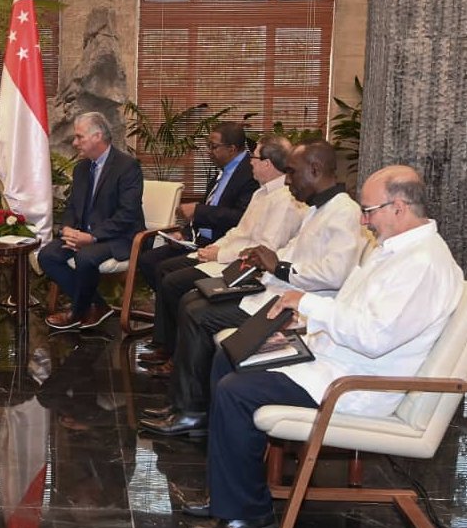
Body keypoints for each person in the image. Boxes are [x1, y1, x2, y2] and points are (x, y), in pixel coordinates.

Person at [185, 166, 464, 528]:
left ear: (398, 207)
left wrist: (309, 306)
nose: (364, 221)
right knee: (231, 356)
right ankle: (229, 494)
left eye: (369, 211)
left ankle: (247, 515)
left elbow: (374, 337)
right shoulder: (398, 250)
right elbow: (355, 310)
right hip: (334, 360)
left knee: (236, 391)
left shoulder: (423, 264)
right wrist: (303, 323)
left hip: (358, 384)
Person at [141, 139, 365, 437]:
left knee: (198, 313)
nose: (287, 180)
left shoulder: (343, 211)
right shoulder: (317, 209)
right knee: (192, 300)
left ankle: (192, 412)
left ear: (315, 169)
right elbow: (291, 249)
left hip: (299, 309)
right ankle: (183, 403)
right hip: (275, 292)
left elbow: (334, 274)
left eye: (292, 172)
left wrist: (278, 266)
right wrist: (263, 257)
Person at [139, 135, 306, 375]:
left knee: (173, 282)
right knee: (165, 270)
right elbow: (239, 231)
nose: (250, 163)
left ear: (268, 164)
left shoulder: (285, 201)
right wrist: (214, 248)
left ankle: (177, 353)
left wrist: (220, 254)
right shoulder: (261, 193)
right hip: (226, 254)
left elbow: (264, 250)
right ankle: (169, 346)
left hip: (241, 266)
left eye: (255, 158)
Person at [40, 111, 145, 330]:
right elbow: (72, 206)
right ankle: (97, 305)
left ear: (97, 136)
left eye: (80, 137)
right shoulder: (81, 169)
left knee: (86, 257)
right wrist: (68, 229)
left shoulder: (127, 167)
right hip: (83, 235)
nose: (75, 142)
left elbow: (128, 213)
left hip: (119, 237)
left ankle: (77, 312)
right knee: (47, 255)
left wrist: (91, 237)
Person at [135, 121, 259, 292]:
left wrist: (198, 210)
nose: (209, 152)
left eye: (213, 146)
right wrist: (183, 234)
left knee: (167, 272)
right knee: (148, 260)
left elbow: (241, 217)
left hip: (221, 245)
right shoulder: (224, 170)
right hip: (198, 241)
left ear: (231, 149)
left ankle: (175, 309)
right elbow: (211, 205)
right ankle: (173, 309)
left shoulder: (250, 174)